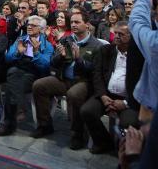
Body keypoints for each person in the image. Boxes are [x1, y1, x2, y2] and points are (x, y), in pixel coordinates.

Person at [30, 11, 103, 149]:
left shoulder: (97, 45)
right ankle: (45, 125)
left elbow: (95, 71)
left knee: (74, 94)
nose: (73, 25)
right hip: (64, 79)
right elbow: (53, 63)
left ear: (87, 25)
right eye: (72, 22)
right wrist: (61, 57)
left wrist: (78, 59)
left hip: (84, 82)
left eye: (77, 22)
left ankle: (78, 134)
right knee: (39, 85)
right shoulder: (66, 39)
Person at [80, 21, 141, 154]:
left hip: (129, 100)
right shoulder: (106, 50)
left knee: (128, 123)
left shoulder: (139, 56)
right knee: (87, 111)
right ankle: (103, 143)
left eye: (122, 34)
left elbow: (142, 85)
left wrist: (125, 103)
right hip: (107, 94)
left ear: (132, 36)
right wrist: (102, 96)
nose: (117, 37)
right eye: (116, 33)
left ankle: (123, 151)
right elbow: (97, 75)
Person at [0, 15, 54, 137]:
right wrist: (18, 52)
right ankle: (19, 110)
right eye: (28, 24)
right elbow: (8, 57)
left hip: (35, 74)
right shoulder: (20, 40)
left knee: (12, 81)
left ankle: (9, 123)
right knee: (13, 73)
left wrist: (36, 52)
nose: (29, 27)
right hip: (19, 71)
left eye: (33, 25)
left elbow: (45, 66)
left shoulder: (47, 45)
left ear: (42, 29)